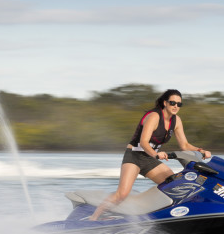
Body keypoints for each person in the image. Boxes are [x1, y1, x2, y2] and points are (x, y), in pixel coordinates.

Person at [89, 89, 212, 221]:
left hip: (150, 158)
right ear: (165, 103)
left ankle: (166, 216)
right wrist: (156, 154)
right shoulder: (154, 116)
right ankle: (94, 218)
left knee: (174, 184)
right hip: (134, 156)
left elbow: (185, 145)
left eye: (179, 104)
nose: (176, 106)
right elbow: (143, 142)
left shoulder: (176, 121)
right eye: (172, 103)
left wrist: (200, 151)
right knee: (122, 194)